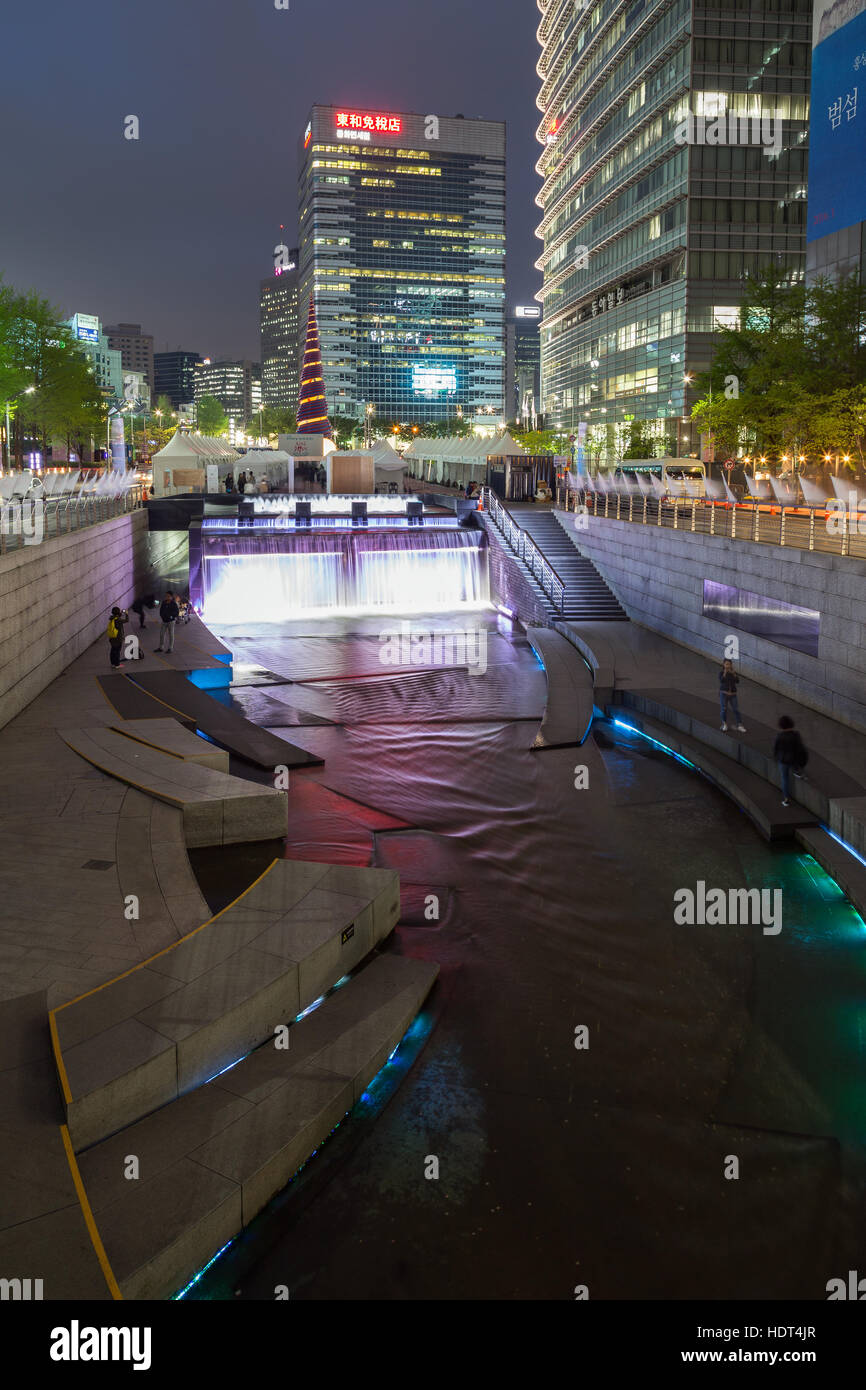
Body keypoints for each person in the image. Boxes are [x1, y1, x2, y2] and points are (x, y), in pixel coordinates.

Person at [774, 715, 808, 806]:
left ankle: (786, 799)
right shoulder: (795, 735)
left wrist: (776, 757)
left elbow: (776, 748)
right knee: (795, 766)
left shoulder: (779, 736)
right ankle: (798, 772)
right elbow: (800, 748)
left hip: (783, 760)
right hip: (794, 758)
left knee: (784, 779)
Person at [719, 658, 746, 732]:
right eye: (726, 664)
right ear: (724, 665)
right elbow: (721, 680)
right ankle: (724, 724)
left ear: (731, 665)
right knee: (724, 709)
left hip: (733, 694)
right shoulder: (721, 673)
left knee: (736, 709)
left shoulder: (733, 672)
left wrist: (734, 674)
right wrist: (725, 672)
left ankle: (740, 725)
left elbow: (737, 681)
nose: (728, 666)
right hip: (724, 694)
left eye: (729, 664)